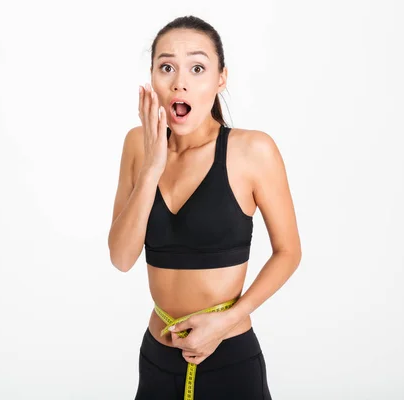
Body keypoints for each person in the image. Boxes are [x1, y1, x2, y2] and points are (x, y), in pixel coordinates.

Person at [108, 15, 302, 400]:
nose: (180, 82)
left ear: (221, 78)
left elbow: (289, 252)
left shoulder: (253, 150)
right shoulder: (138, 144)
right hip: (157, 357)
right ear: (152, 77)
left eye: (197, 68)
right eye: (167, 67)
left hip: (229, 354)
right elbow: (122, 257)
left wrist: (226, 321)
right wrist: (152, 168)